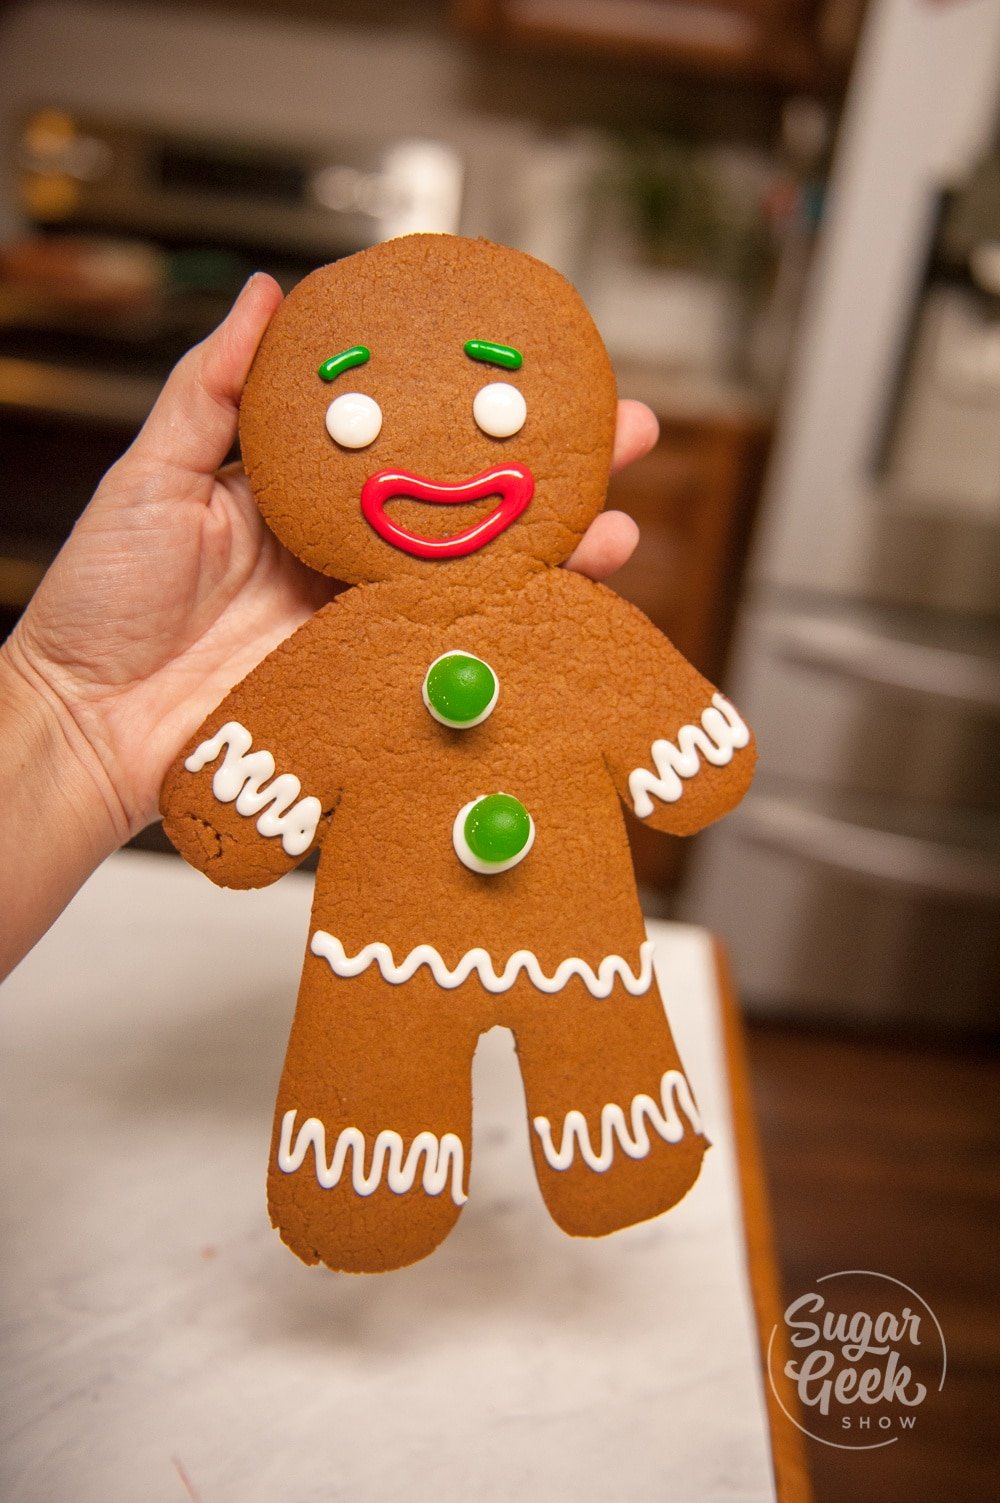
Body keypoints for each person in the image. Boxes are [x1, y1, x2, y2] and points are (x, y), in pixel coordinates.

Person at [0, 272, 657, 981]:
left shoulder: (546, 620)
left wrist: (70, 723)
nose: (431, 455)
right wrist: (70, 712)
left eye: (495, 406)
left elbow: (647, 708)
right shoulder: (341, 649)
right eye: (357, 415)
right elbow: (267, 759)